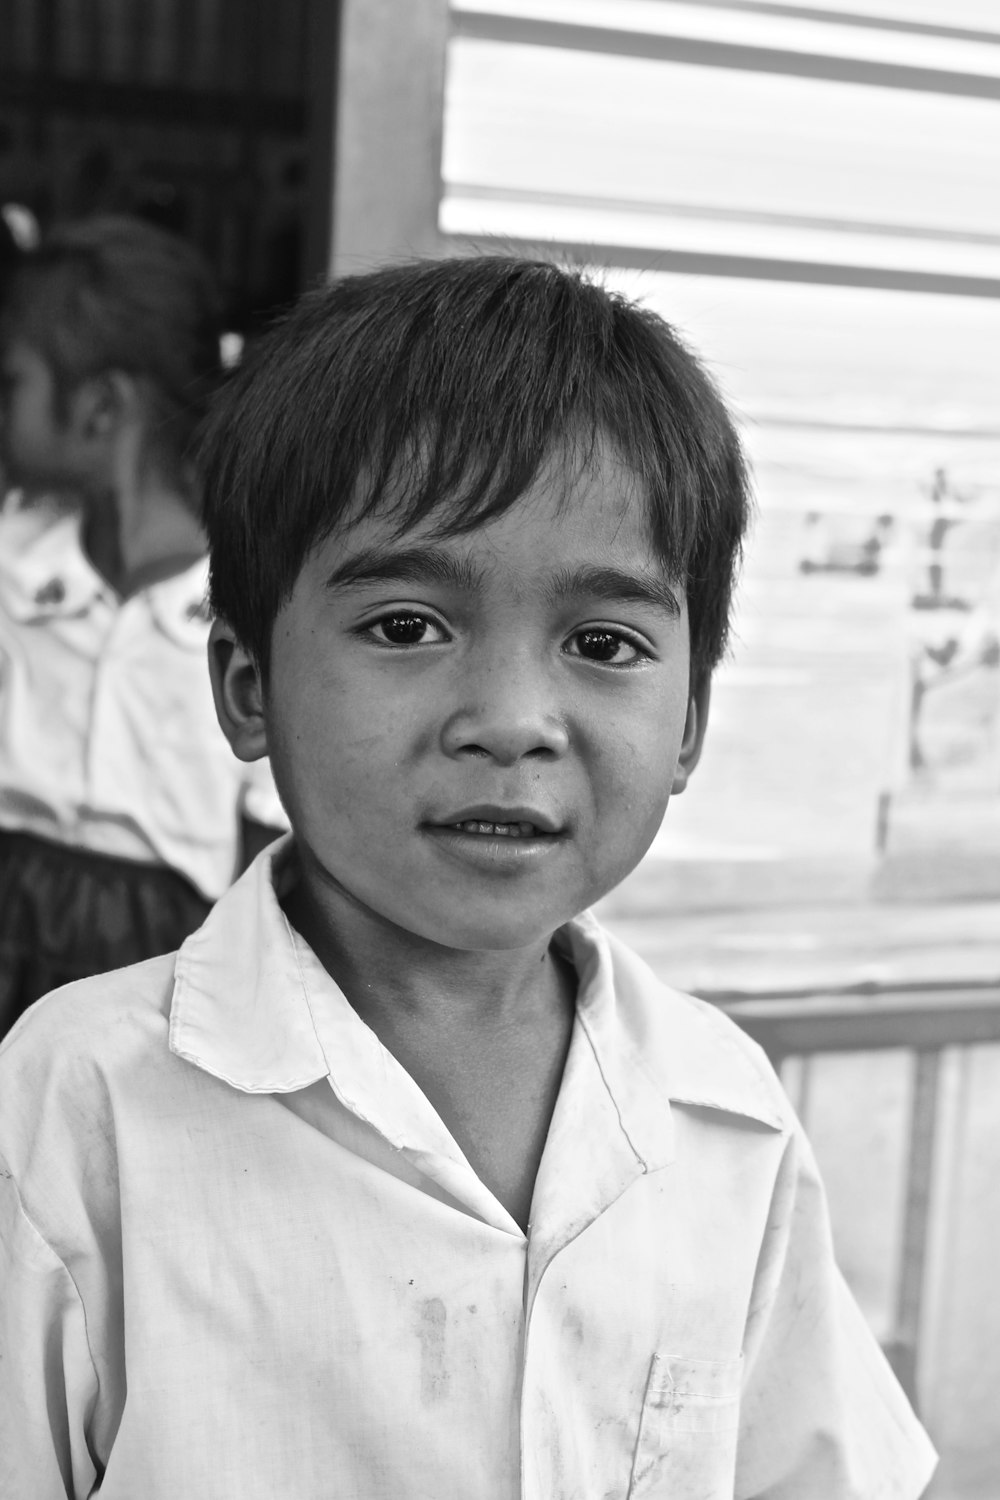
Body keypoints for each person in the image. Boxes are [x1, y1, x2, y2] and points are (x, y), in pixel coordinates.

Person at [0, 256, 936, 1498]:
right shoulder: (75, 1113)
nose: (510, 720)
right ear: (246, 686)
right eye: (405, 626)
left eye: (603, 645)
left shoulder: (721, 1119)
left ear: (690, 727)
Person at [0, 215, 284, 1036]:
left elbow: (270, 844)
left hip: (162, 974)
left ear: (98, 407)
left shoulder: (248, 598)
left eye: (9, 381)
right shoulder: (13, 560)